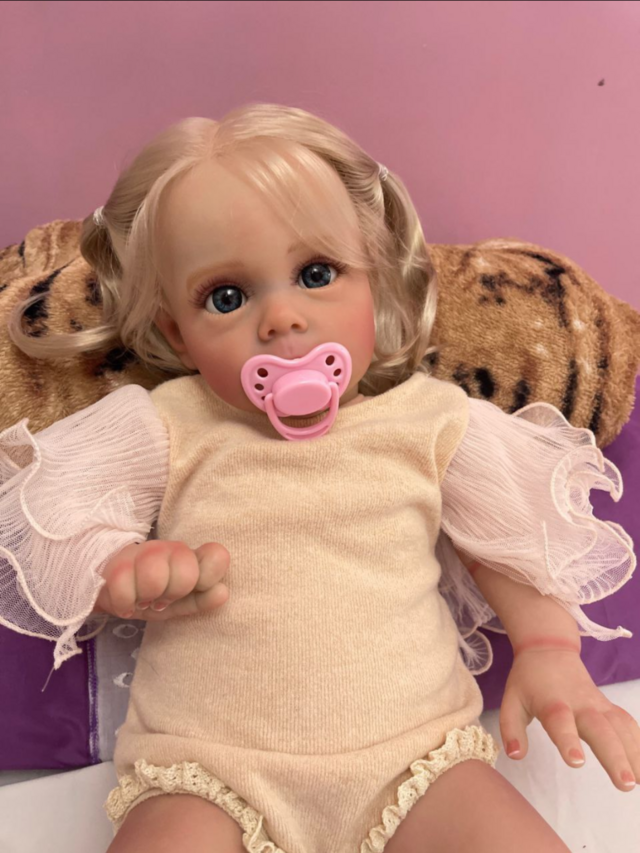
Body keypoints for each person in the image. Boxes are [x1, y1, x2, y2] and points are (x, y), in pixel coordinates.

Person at [1, 103, 638, 853]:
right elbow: (61, 519)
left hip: (416, 759)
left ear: (376, 282)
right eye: (227, 297)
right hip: (210, 771)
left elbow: (506, 541)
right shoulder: (168, 423)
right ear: (178, 332)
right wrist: (122, 569)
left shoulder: (428, 421)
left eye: (316, 274)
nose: (282, 319)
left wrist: (548, 649)